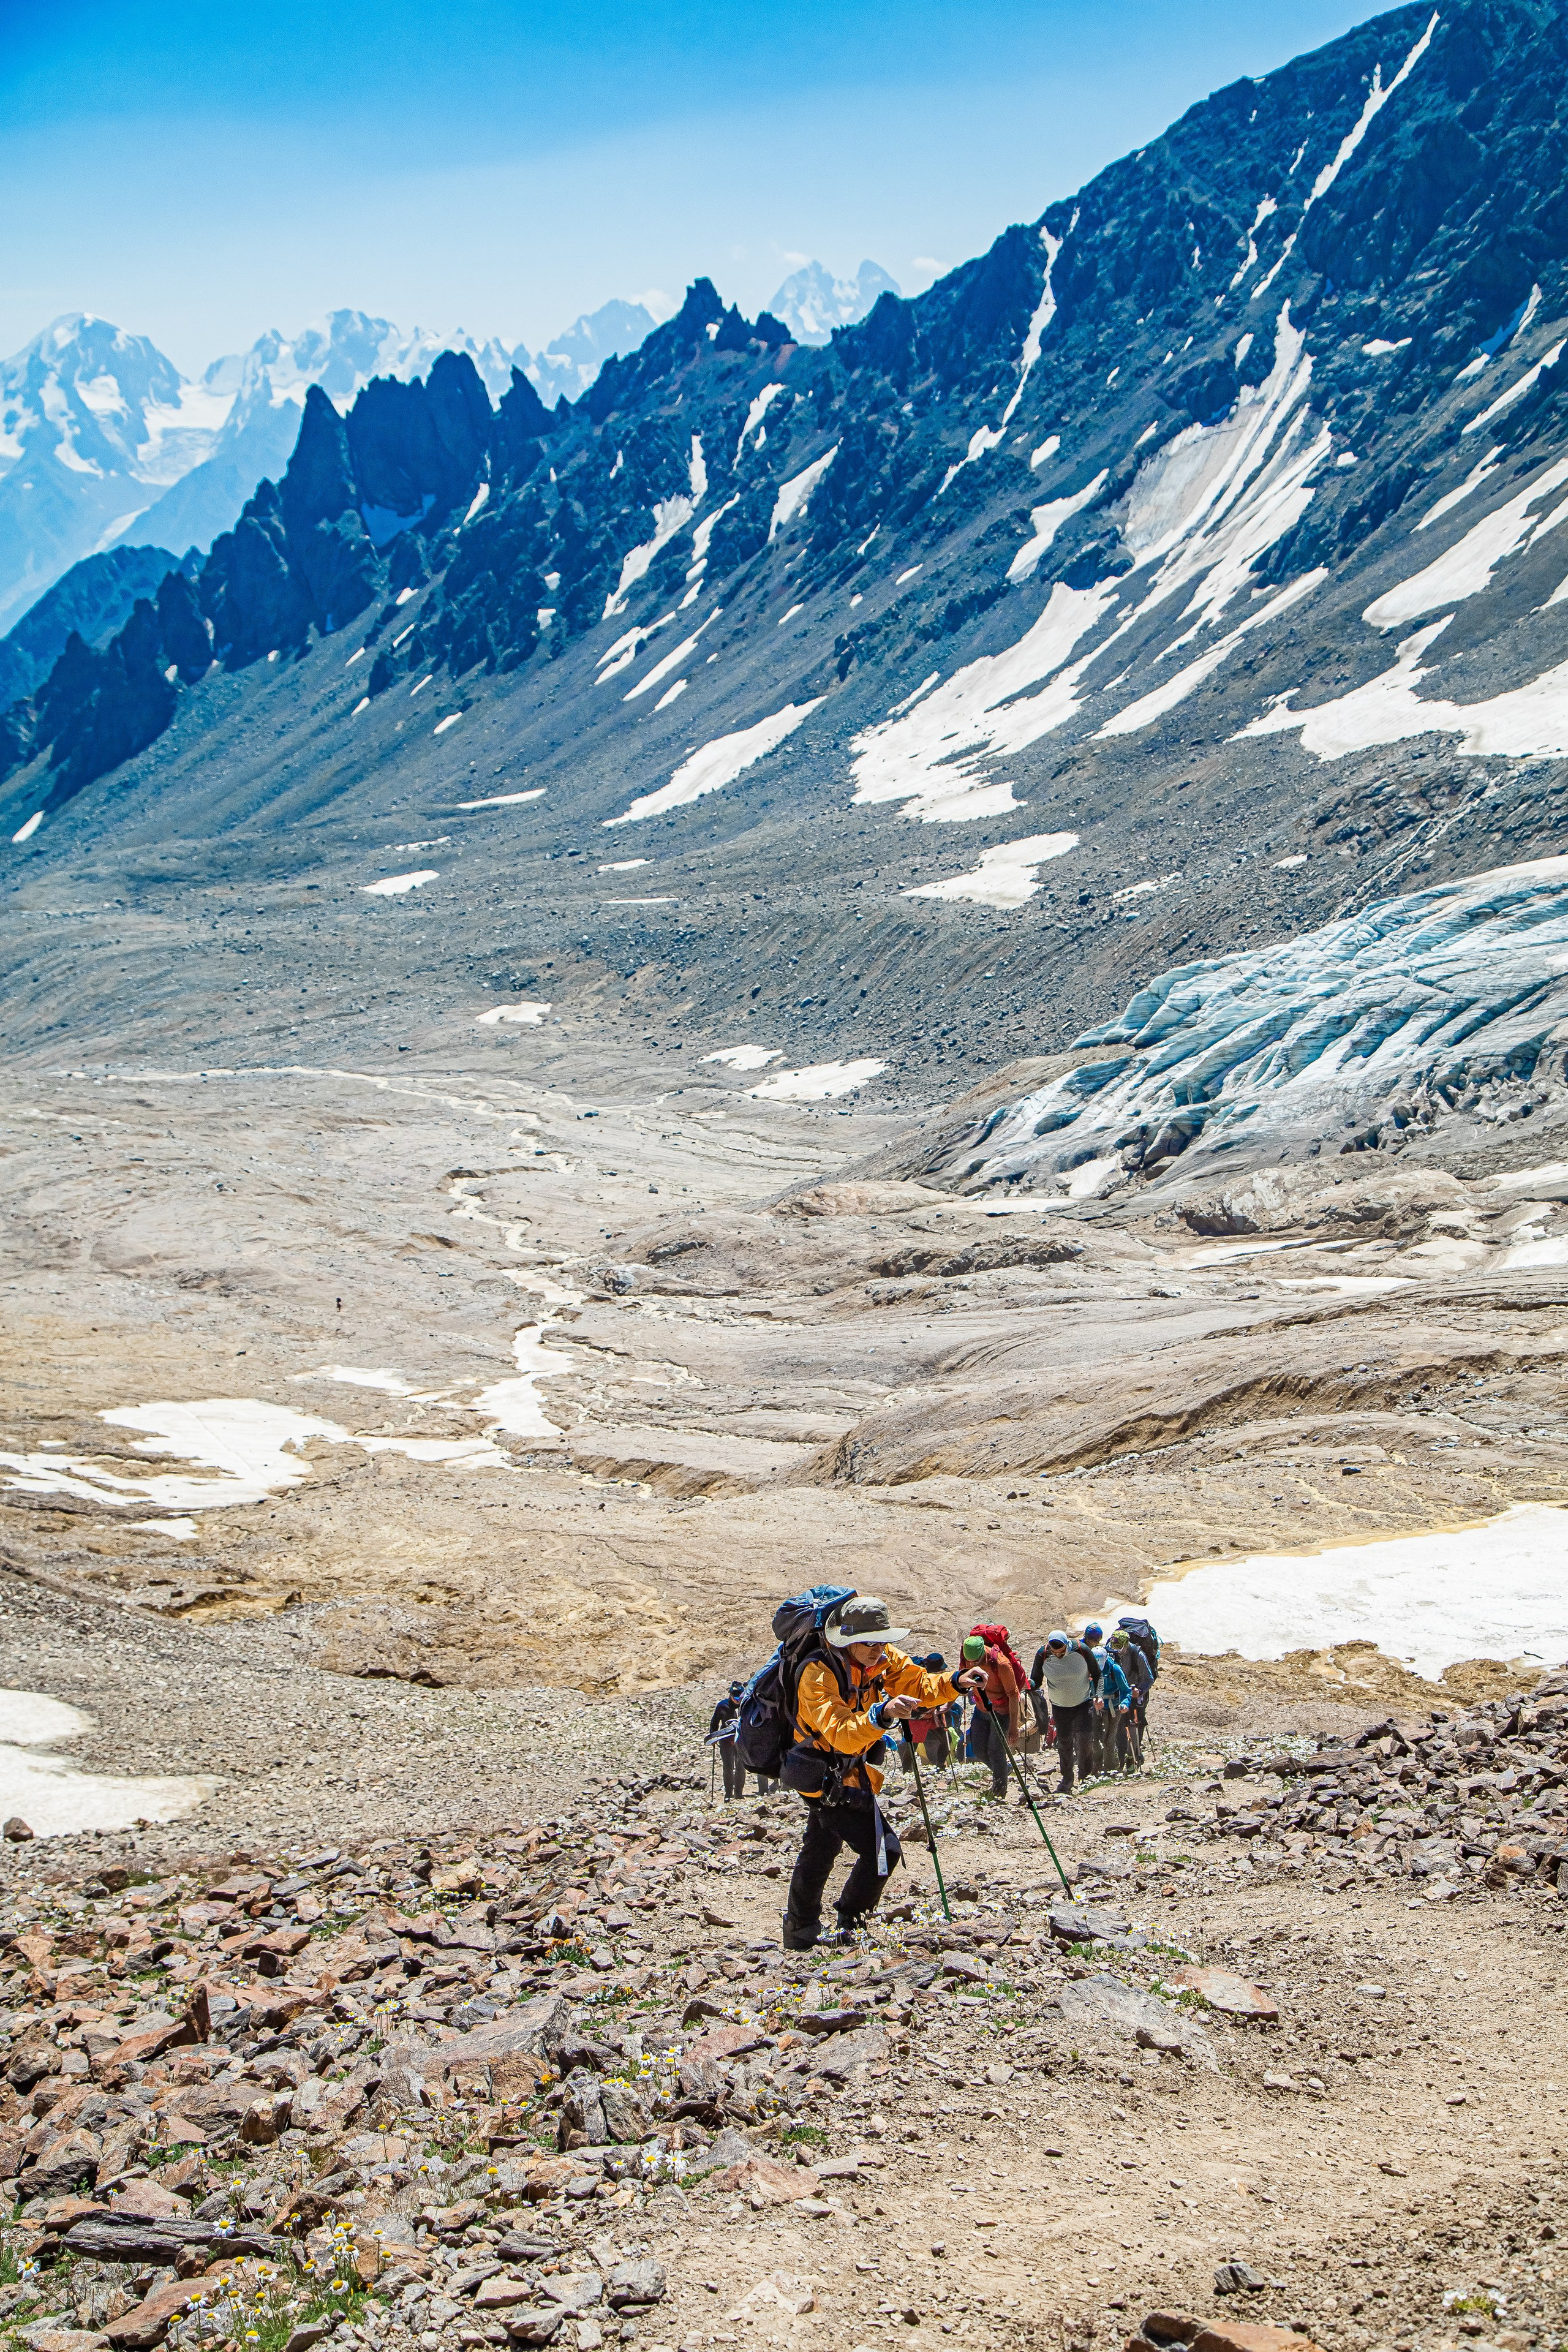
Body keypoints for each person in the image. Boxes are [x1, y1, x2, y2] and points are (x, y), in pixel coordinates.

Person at [783, 1596, 983, 1949]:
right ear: (847, 1641)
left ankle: (801, 1931)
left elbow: (920, 1685)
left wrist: (956, 1682)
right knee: (884, 1851)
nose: (878, 1649)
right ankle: (849, 1925)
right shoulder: (817, 1673)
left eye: (883, 1639)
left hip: (850, 1773)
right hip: (824, 1776)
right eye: (869, 1642)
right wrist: (883, 1714)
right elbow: (841, 1734)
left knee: (822, 1844)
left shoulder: (883, 1658)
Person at [1031, 1630, 1101, 1793]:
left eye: (1061, 1651)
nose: (1058, 1654)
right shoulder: (1043, 1654)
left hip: (1083, 1703)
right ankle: (1067, 1778)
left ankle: (1085, 1776)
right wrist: (1028, 1684)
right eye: (1054, 1652)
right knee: (1064, 1742)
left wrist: (1098, 1694)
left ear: (1067, 1644)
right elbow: (1036, 1680)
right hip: (1059, 1706)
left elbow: (1098, 1674)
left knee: (1085, 1741)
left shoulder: (1081, 1650)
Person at [961, 1632, 1022, 1800]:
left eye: (976, 1661)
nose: (973, 1664)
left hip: (1001, 1712)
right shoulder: (967, 1658)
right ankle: (1003, 1769)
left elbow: (1013, 1693)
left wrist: (1013, 1728)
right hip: (981, 1709)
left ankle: (999, 1791)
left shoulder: (1001, 1664)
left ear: (983, 1653)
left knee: (996, 1751)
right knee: (979, 1750)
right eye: (970, 1661)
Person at [899, 1653, 955, 1773]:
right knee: (914, 1743)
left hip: (924, 1717)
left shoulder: (926, 1678)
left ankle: (938, 1766)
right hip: (920, 1718)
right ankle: (908, 1770)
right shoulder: (925, 1682)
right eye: (942, 1669)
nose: (944, 1671)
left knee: (945, 1739)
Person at [1109, 1626, 1152, 1768]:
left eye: (1120, 1648)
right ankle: (1123, 1757)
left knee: (1135, 1725)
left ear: (1126, 1644)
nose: (1117, 1651)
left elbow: (1149, 1678)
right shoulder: (1112, 1651)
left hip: (1137, 1695)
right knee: (1121, 1725)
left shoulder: (1138, 1655)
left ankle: (1134, 1758)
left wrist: (1140, 1691)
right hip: (1120, 1694)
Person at [708, 1682, 748, 1800]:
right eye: (735, 1697)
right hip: (726, 1741)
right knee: (728, 1767)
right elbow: (714, 1722)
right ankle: (728, 1793)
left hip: (741, 1741)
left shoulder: (745, 1705)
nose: (737, 1700)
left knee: (741, 1766)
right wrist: (713, 1737)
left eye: (739, 1697)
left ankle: (739, 1793)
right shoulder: (722, 1706)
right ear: (730, 1695)